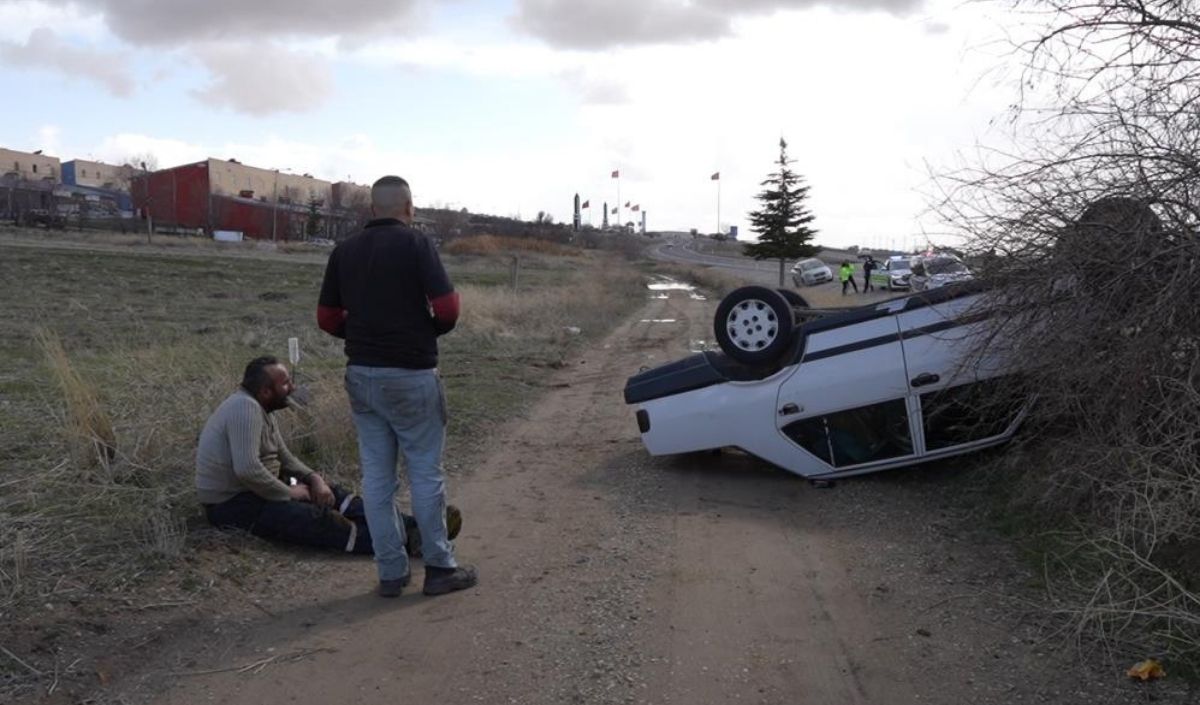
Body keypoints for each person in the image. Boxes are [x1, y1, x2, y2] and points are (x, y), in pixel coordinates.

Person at [317, 175, 477, 598]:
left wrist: (363, 332)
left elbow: (328, 318)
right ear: (408, 207)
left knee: (376, 479)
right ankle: (440, 568)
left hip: (362, 377)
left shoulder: (344, 251)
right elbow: (447, 308)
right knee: (425, 474)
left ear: (372, 209)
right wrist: (425, 330)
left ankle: (391, 572)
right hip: (412, 375)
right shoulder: (417, 244)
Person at [195, 356, 464, 557]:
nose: (292, 386)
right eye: (285, 383)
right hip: (234, 504)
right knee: (317, 519)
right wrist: (289, 493)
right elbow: (247, 469)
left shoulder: (261, 408)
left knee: (333, 495)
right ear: (265, 391)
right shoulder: (245, 409)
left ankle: (417, 527)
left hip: (261, 487)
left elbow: (284, 458)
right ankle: (406, 540)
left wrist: (313, 480)